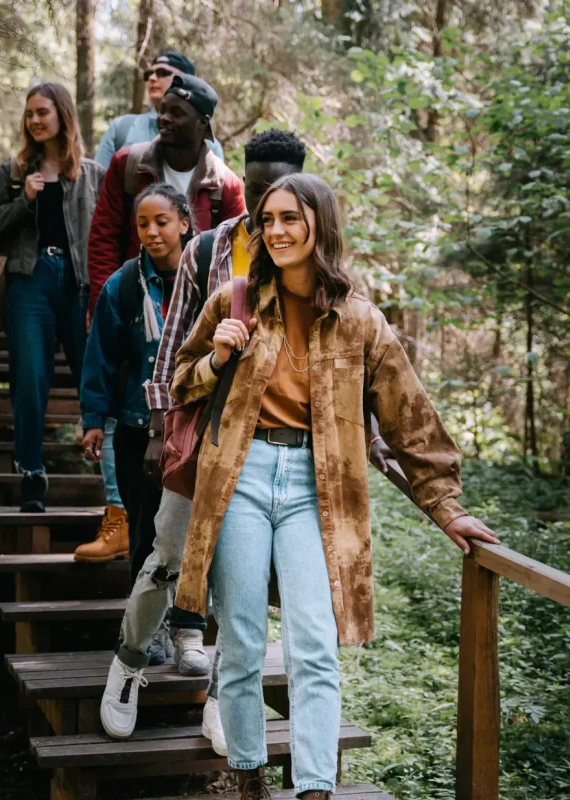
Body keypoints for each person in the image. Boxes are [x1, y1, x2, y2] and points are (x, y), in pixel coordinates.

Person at [170, 174, 500, 800]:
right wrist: (217, 357)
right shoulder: (235, 300)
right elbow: (180, 382)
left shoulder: (359, 322)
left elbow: (411, 419)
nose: (277, 231)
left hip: (315, 488)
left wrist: (446, 506)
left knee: (314, 647)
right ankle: (249, 780)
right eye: (267, 220)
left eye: (291, 218)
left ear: (319, 224)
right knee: (239, 644)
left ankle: (315, 789)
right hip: (237, 479)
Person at [98, 130, 309, 748]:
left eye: (283, 187)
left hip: (270, 444)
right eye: (260, 184)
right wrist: (162, 432)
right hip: (203, 428)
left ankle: (224, 697)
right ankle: (128, 664)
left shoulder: (309, 258)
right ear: (246, 179)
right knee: (165, 560)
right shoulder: (212, 248)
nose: (270, 200)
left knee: (245, 582)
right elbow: (172, 350)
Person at [0, 83, 104, 512]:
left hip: (80, 286)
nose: (34, 120)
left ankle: (112, 479)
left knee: (94, 377)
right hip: (29, 282)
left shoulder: (91, 174)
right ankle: (31, 474)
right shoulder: (11, 173)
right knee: (29, 377)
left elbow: (105, 238)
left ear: (62, 115)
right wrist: (24, 200)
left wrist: (100, 293)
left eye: (42, 112)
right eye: (29, 113)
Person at [77, 184, 192, 594]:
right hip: (136, 429)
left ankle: (187, 627)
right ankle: (145, 631)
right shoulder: (123, 285)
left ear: (184, 222)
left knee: (192, 534)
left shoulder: (208, 280)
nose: (152, 232)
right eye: (142, 224)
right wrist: (93, 420)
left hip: (194, 429)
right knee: (144, 531)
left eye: (162, 221)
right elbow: (101, 357)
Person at [87, 73, 245, 318]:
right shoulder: (127, 165)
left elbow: (236, 258)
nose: (164, 119)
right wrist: (105, 305)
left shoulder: (226, 185)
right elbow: (103, 239)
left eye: (177, 113)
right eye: (162, 111)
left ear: (202, 123)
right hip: (133, 305)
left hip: (197, 313)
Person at [94, 51, 224, 169]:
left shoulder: (210, 147)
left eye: (162, 73)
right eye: (149, 74)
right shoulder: (121, 127)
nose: (152, 78)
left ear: (186, 80)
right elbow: (98, 182)